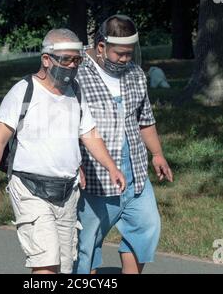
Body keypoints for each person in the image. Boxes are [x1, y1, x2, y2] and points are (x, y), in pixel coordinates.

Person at [0, 28, 126, 274]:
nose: (72, 65)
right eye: (66, 59)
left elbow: (89, 134)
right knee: (45, 263)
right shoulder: (23, 92)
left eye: (76, 59)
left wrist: (111, 166)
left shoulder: (75, 92)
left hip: (67, 191)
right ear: (46, 59)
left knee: (64, 267)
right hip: (29, 188)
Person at [74, 15, 174, 274]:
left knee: (146, 227)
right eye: (120, 54)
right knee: (87, 242)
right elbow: (64, 125)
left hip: (136, 172)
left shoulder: (136, 75)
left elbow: (145, 120)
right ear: (101, 47)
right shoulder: (77, 74)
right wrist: (73, 163)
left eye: (130, 53)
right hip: (95, 176)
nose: (126, 59)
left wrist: (157, 154)